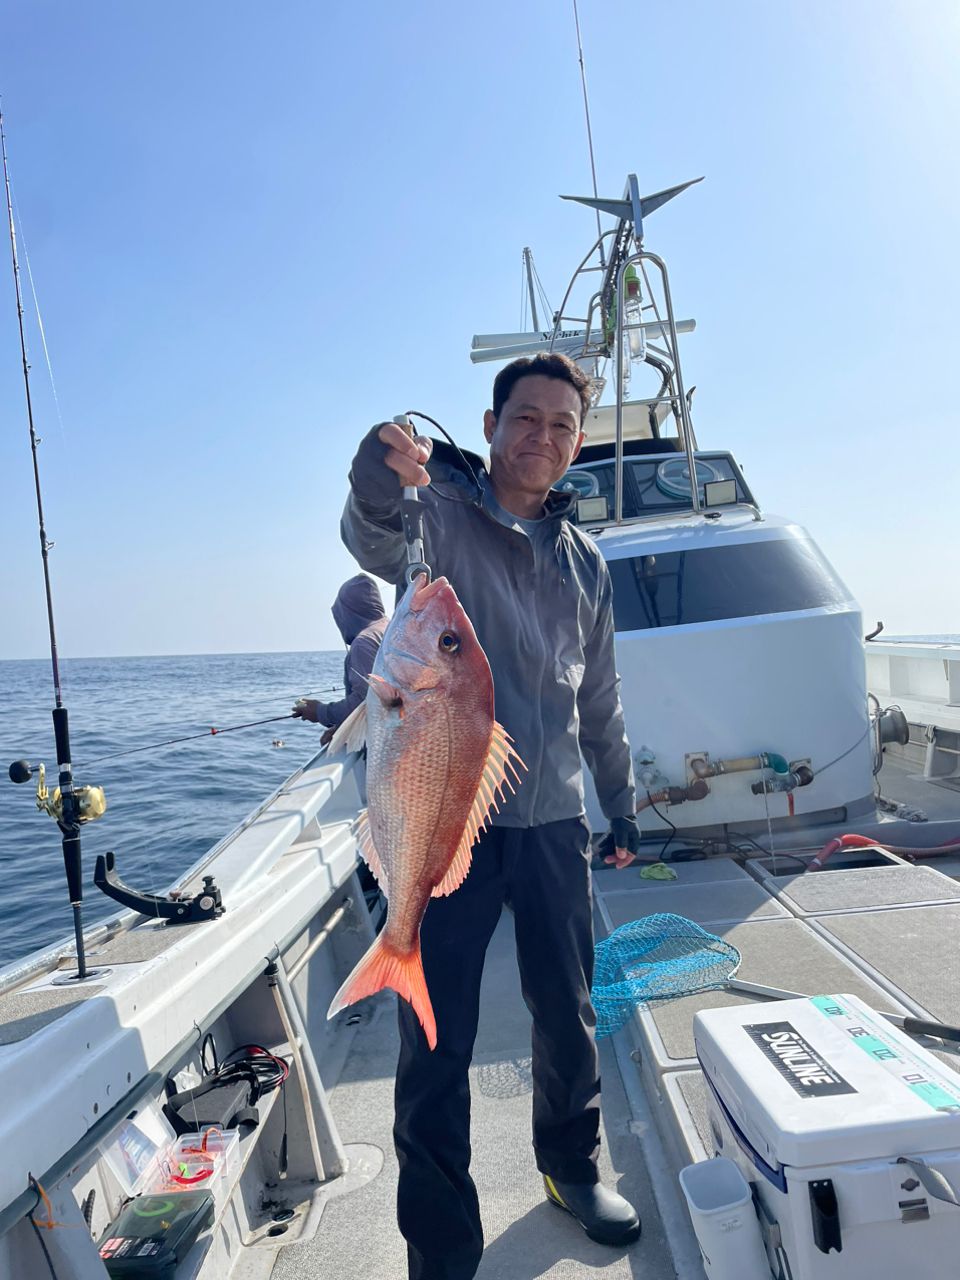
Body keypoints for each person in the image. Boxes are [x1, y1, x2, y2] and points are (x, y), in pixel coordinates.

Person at [341, 352, 643, 1280]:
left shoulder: (586, 563)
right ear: (489, 424)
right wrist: (372, 471)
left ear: (577, 443)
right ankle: (440, 1244)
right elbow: (375, 537)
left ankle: (569, 1166)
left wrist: (620, 806)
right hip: (446, 820)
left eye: (560, 425)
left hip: (553, 822)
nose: (540, 437)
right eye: (525, 418)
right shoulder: (441, 518)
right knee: (437, 1037)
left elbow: (601, 700)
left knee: (569, 1011)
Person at [292, 572, 388, 744]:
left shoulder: (364, 642)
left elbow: (366, 703)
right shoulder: (390, 629)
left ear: (345, 613)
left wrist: (320, 712)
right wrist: (342, 728)